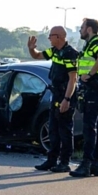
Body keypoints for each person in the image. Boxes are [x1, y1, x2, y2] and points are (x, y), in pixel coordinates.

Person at [27, 26, 80, 172]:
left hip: (65, 95)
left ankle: (64, 162)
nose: (49, 38)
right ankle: (51, 160)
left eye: (51, 35)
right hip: (56, 94)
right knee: (53, 130)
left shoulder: (70, 53)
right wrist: (31, 49)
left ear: (59, 37)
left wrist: (67, 99)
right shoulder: (55, 51)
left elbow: (73, 79)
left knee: (65, 131)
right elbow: (37, 56)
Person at [70, 18, 98, 178]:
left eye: (82, 27)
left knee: (89, 128)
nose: (80, 30)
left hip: (94, 87)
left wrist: (90, 74)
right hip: (91, 88)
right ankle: (96, 165)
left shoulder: (96, 44)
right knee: (95, 127)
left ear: (89, 29)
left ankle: (86, 164)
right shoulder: (89, 45)